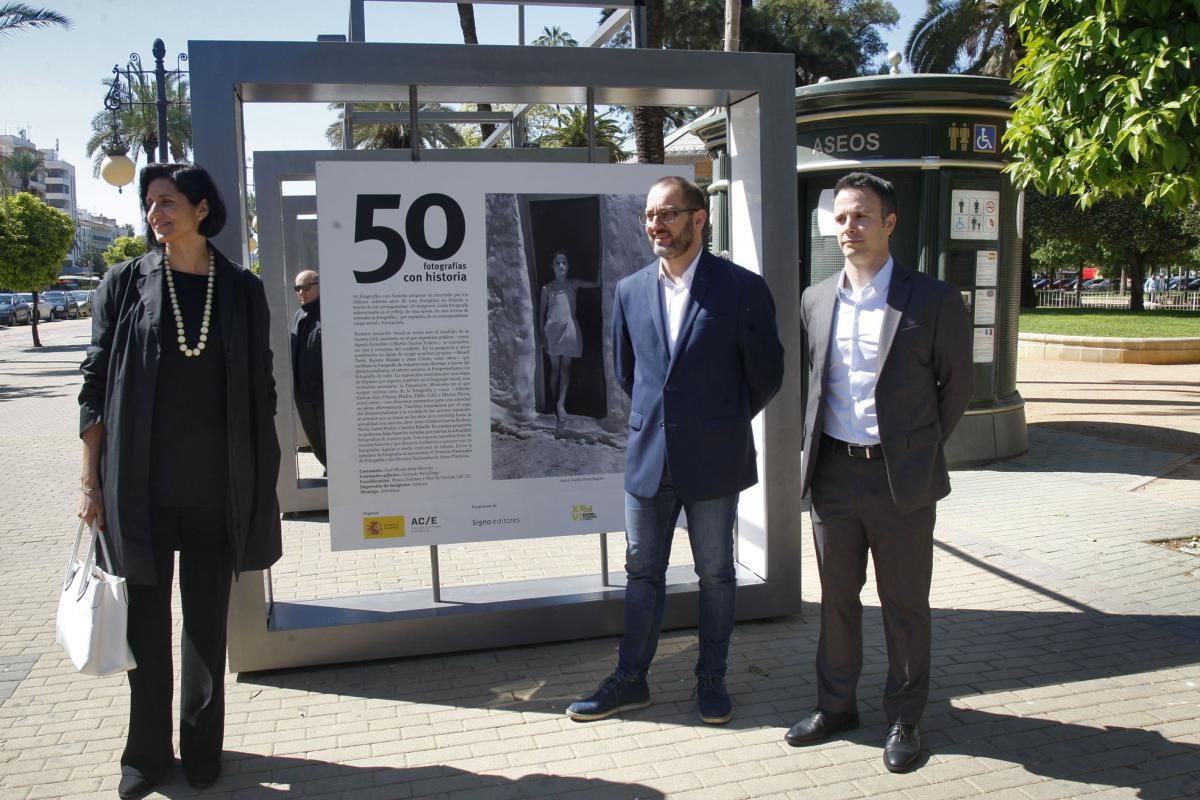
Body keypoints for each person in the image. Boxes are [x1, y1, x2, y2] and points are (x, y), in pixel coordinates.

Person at [78, 163, 282, 799]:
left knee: (205, 625)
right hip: (138, 489)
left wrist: (260, 483)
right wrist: (90, 485)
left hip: (217, 489)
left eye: (166, 202)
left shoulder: (243, 292)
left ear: (200, 208)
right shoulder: (124, 284)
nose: (155, 214)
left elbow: (262, 391)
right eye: (149, 205)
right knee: (145, 625)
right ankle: (144, 753)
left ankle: (202, 745)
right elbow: (92, 388)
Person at [566, 176, 784, 725]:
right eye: (649, 216)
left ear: (698, 218)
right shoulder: (631, 289)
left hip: (714, 458)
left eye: (667, 214)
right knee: (642, 573)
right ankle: (630, 681)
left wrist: (716, 421)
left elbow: (766, 375)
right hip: (649, 458)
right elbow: (628, 374)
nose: (655, 225)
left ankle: (711, 680)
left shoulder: (741, 288)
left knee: (715, 573)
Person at [787, 172, 973, 773]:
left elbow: (956, 390)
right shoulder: (815, 299)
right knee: (837, 599)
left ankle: (905, 716)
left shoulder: (934, 299)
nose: (849, 228)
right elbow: (810, 388)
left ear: (889, 223)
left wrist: (915, 449)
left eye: (862, 216)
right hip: (834, 477)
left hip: (902, 480)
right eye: (841, 217)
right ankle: (836, 705)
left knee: (904, 603)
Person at [539, 250, 599, 435]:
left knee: (565, 368)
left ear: (568, 266)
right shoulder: (547, 289)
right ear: (552, 266)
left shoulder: (573, 284)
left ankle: (560, 404)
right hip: (552, 331)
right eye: (557, 263)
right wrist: (542, 335)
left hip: (569, 330)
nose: (561, 266)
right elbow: (540, 313)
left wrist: (603, 256)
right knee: (555, 369)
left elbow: (597, 283)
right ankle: (554, 398)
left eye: (564, 262)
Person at [291, 269, 326, 469]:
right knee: (314, 439)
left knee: (328, 437)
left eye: (306, 287)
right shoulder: (298, 315)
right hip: (303, 393)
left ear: (319, 285)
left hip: (323, 393)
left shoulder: (328, 312)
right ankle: (326, 465)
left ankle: (334, 470)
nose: (301, 292)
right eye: (298, 288)